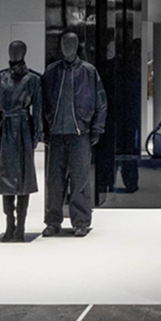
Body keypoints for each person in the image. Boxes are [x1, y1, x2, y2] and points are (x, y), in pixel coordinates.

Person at [41, 32, 107, 238]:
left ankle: (81, 222)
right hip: (56, 135)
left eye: (70, 43)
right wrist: (43, 129)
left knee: (80, 180)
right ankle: (53, 221)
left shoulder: (88, 71)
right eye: (63, 43)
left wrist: (97, 129)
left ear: (77, 46)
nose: (65, 47)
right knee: (54, 181)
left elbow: (101, 103)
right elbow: (42, 102)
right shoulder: (51, 72)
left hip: (80, 134)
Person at [0, 40, 42, 243]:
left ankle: (21, 225)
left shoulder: (33, 79)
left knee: (24, 178)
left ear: (24, 53)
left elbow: (39, 110)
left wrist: (37, 134)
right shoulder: (0, 77)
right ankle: (10, 223)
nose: (13, 53)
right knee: (5, 178)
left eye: (17, 50)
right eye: (11, 50)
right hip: (5, 130)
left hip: (23, 129)